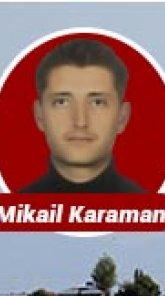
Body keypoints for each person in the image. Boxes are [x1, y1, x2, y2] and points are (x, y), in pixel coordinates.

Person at [21, 38, 144, 193]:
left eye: (97, 102)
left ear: (122, 117)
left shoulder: (148, 211)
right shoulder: (12, 211)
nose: (80, 121)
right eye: (62, 102)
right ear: (39, 115)